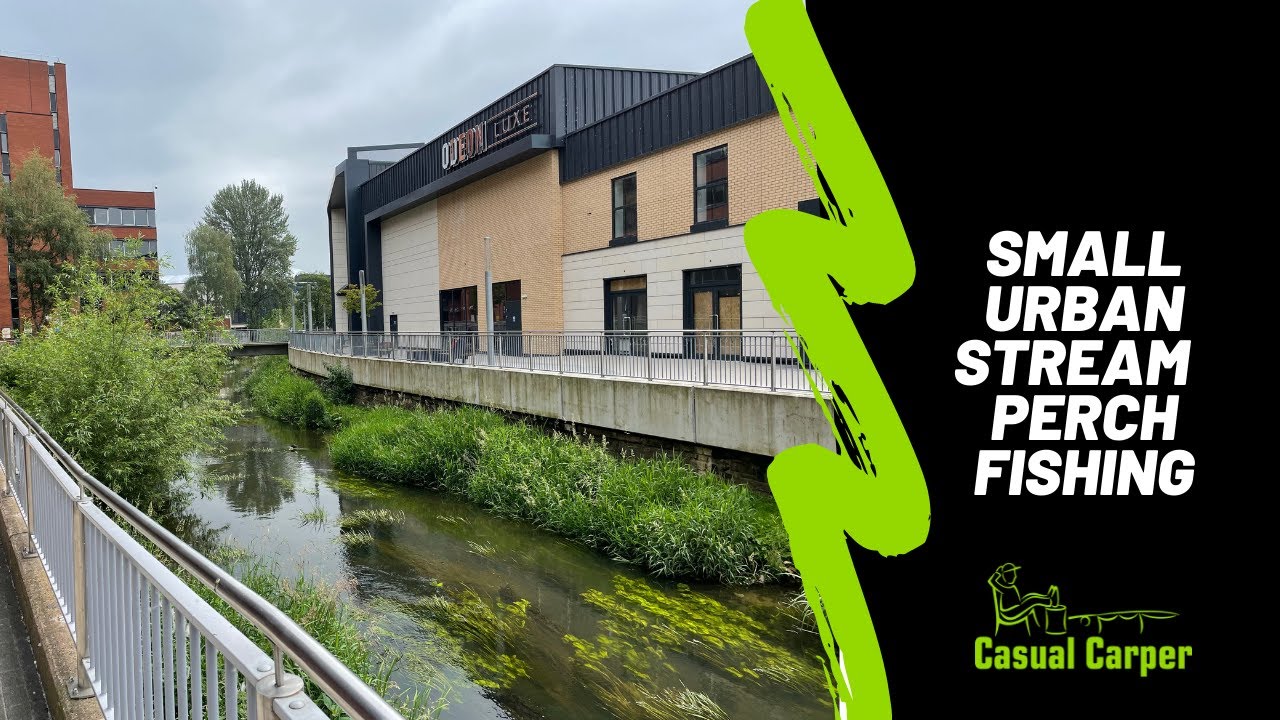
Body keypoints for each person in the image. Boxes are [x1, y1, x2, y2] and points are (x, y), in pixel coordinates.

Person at [989, 562, 1060, 621]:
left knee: (1030, 596)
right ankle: (1051, 602)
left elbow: (1018, 601)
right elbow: (991, 581)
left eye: (1015, 574)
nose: (1015, 576)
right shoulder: (1005, 588)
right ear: (1008, 576)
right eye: (1013, 574)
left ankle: (1047, 597)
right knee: (1033, 600)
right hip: (1009, 613)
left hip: (1016, 608)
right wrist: (997, 573)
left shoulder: (1010, 587)